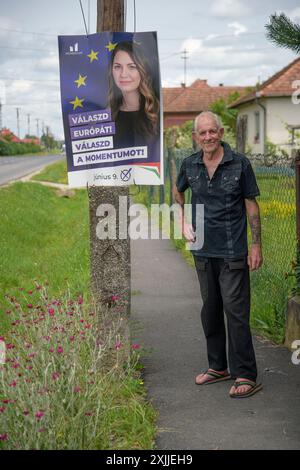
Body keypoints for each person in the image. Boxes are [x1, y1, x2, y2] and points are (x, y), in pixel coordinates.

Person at [174, 111, 263, 398]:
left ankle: (246, 374)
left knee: (236, 312)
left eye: (213, 131)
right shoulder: (189, 165)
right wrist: (182, 221)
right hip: (202, 250)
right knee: (210, 309)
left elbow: (251, 205)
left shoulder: (239, 164)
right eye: (203, 133)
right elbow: (177, 193)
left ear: (221, 132)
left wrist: (256, 245)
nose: (209, 137)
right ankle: (218, 367)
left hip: (232, 250)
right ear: (196, 137)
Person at [108, 41, 160, 150]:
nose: (123, 74)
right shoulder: (107, 114)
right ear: (111, 71)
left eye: (132, 67)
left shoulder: (156, 112)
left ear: (142, 70)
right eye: (118, 67)